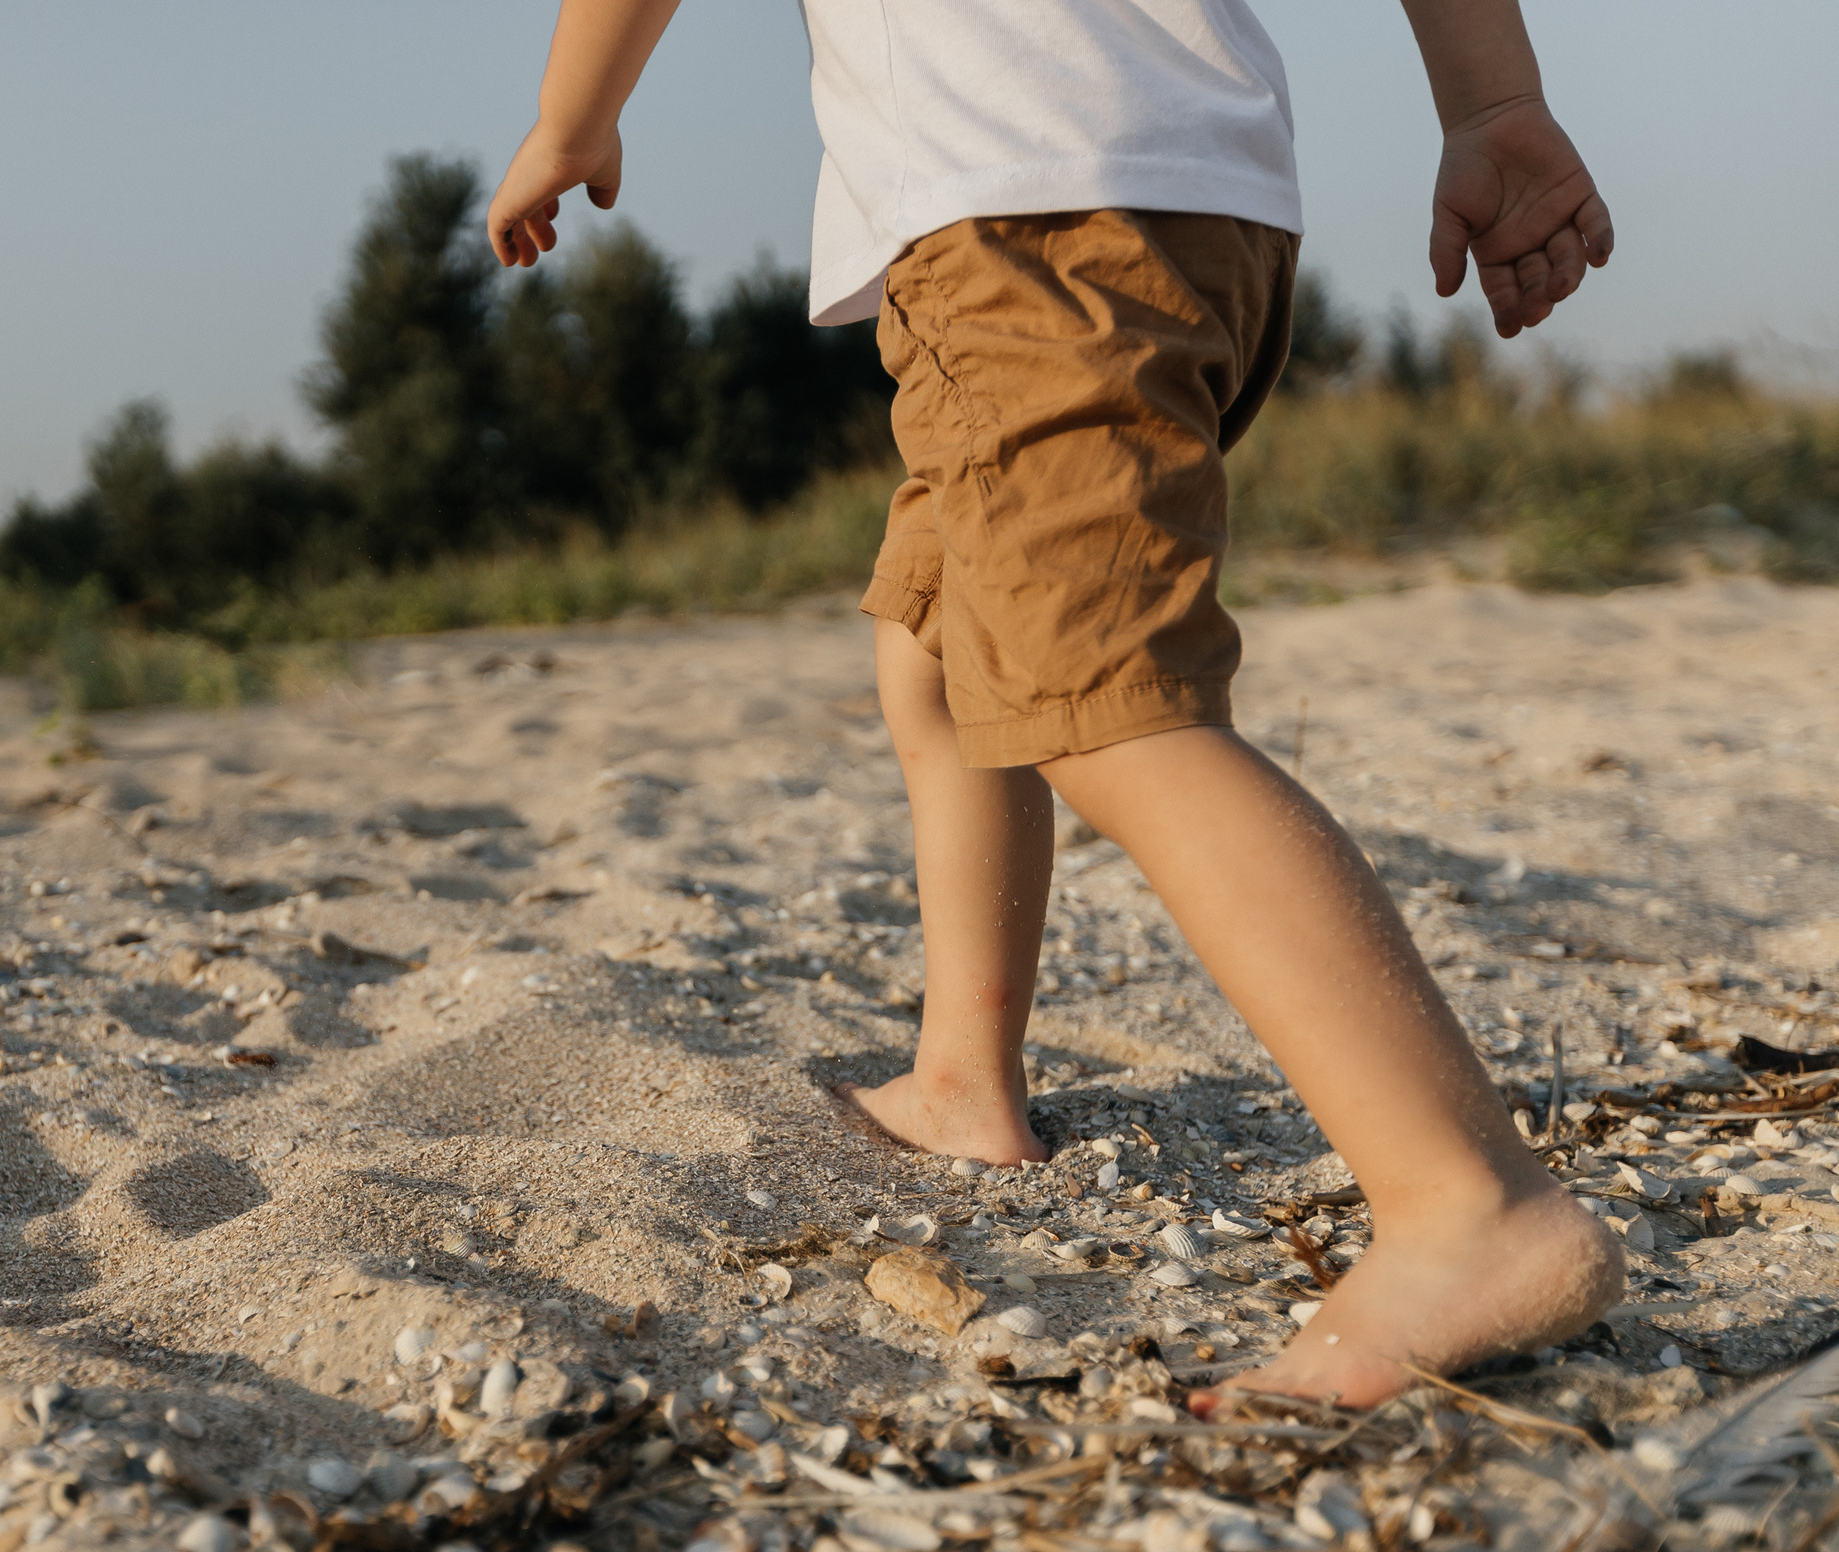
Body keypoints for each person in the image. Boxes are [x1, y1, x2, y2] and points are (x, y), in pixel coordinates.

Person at [485, 0, 1621, 1411]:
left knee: (1113, 710)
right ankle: (965, 1079)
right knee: (948, 641)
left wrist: (572, 116)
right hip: (1209, 201)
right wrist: (1490, 105)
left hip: (1026, 225)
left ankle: (1470, 1203)